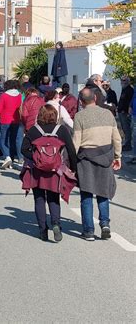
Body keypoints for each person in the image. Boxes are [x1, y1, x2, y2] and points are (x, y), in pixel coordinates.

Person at [21, 105, 77, 242]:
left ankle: (43, 230)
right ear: (55, 116)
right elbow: (71, 150)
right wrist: (73, 168)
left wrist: (35, 158)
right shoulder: (61, 130)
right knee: (53, 198)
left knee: (39, 199)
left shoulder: (34, 130)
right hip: (55, 171)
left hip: (37, 171)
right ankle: (56, 224)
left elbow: (23, 149)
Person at [73, 87, 122, 241]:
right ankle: (105, 223)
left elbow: (76, 142)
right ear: (95, 98)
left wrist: (71, 162)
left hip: (86, 158)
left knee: (86, 195)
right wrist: (117, 156)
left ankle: (88, 231)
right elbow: (117, 138)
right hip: (106, 157)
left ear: (81, 101)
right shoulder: (108, 114)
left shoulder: (79, 116)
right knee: (103, 193)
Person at [0, 80, 22, 169]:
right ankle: (13, 158)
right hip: (16, 120)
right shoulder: (19, 95)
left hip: (5, 119)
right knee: (13, 140)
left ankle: (7, 156)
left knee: (4, 140)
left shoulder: (4, 95)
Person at [117, 76, 134, 151]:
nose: (122, 81)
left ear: (128, 81)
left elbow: (129, 102)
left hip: (125, 112)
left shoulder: (130, 90)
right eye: (122, 80)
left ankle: (128, 145)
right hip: (121, 111)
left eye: (124, 80)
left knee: (127, 129)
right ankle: (126, 144)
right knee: (124, 128)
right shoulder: (124, 89)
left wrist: (125, 110)